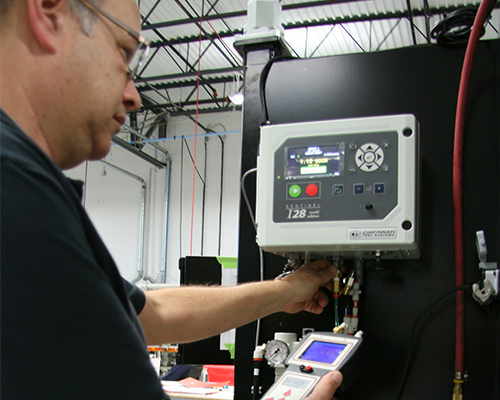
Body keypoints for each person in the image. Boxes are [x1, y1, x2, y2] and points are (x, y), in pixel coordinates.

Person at [0, 0, 343, 399]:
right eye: (124, 53)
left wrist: (287, 290)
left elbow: (156, 313)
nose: (135, 97)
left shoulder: (26, 188)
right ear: (47, 13)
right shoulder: (15, 191)